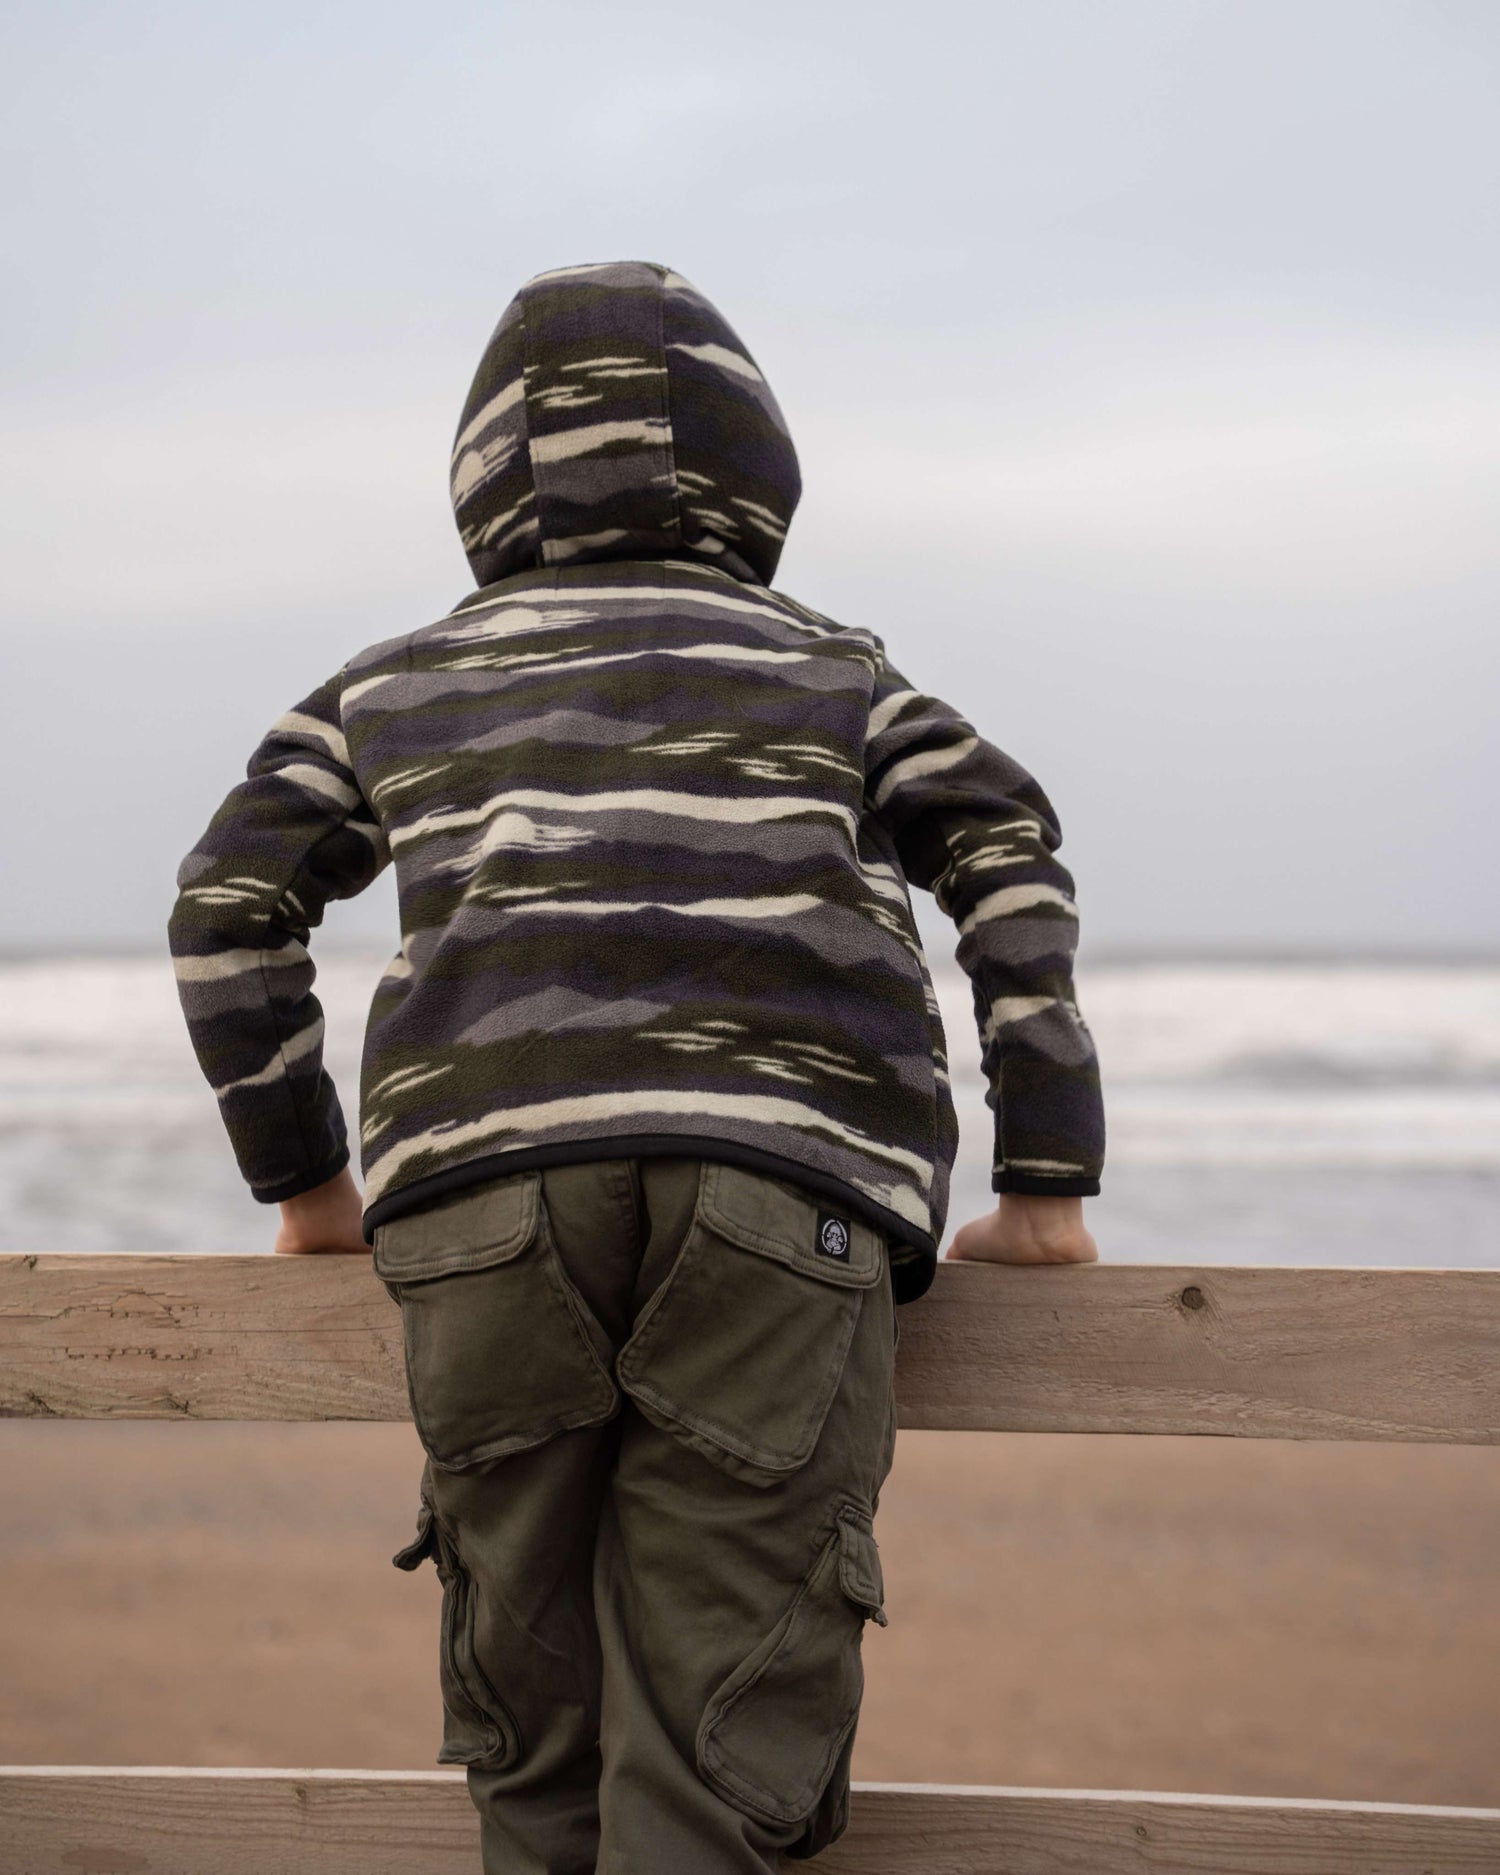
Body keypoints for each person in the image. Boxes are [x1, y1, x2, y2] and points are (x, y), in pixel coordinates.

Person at [168, 260, 1105, 1873]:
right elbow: (1007, 857)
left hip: (479, 1209)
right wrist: (1044, 1183)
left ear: (482, 478)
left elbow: (224, 914)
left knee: (531, 1735)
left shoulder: (392, 685)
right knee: (725, 1718)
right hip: (785, 1199)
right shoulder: (836, 671)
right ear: (755, 470)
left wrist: (312, 1188)